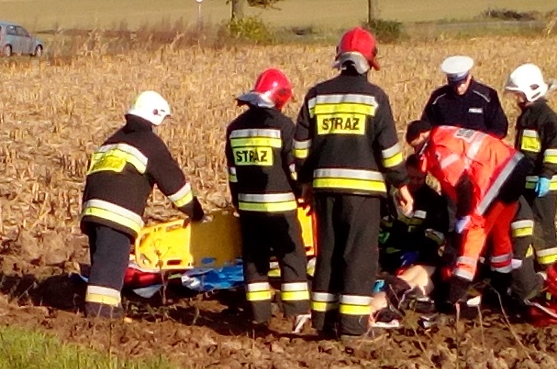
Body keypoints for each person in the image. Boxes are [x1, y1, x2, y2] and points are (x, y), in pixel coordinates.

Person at [293, 27, 408, 340]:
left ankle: (324, 321)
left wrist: (305, 181)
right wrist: (402, 184)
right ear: (369, 63)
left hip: (324, 191)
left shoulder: (316, 95)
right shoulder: (375, 97)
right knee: (358, 257)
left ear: (339, 59)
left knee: (328, 253)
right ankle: (353, 328)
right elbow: (389, 151)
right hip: (364, 194)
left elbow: (300, 148)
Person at [80, 91, 206, 319]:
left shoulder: (110, 142)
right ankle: (100, 318)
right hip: (116, 214)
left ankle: (107, 310)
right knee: (110, 267)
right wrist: (197, 214)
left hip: (91, 211)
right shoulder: (150, 144)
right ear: (156, 116)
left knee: (103, 265)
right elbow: (177, 189)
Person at [403, 120, 542, 313]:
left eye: (416, 145)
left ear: (422, 136)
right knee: (500, 235)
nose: (417, 151)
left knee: (474, 231)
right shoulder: (448, 132)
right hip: (514, 167)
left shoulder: (439, 146)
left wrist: (464, 215)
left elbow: (463, 184)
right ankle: (502, 292)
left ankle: (452, 297)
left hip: (497, 175)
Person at [225, 68, 310, 327]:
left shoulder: (235, 129)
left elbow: (233, 173)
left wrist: (239, 201)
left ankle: (258, 315)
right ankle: (296, 312)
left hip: (249, 209)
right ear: (281, 97)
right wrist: (302, 193)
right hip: (281, 207)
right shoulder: (284, 127)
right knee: (292, 257)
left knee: (254, 261)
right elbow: (294, 169)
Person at [504, 63, 557, 270]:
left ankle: (549, 273)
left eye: (519, 94)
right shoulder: (528, 116)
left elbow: (556, 149)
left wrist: (547, 175)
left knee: (542, 229)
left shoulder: (547, 118)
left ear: (531, 91)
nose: (517, 99)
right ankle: (529, 271)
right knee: (527, 228)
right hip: (529, 184)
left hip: (544, 186)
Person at [378, 154, 450, 278]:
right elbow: (380, 228)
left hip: (418, 257)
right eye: (411, 178)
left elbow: (436, 235)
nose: (415, 182)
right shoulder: (390, 197)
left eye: (419, 179)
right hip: (385, 256)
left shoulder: (434, 201)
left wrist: (418, 252)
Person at [421, 55, 508, 138]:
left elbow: (500, 129)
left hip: (479, 150)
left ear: (469, 76)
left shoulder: (487, 96)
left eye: (462, 83)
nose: (458, 88)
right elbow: (426, 128)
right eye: (454, 84)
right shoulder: (438, 98)